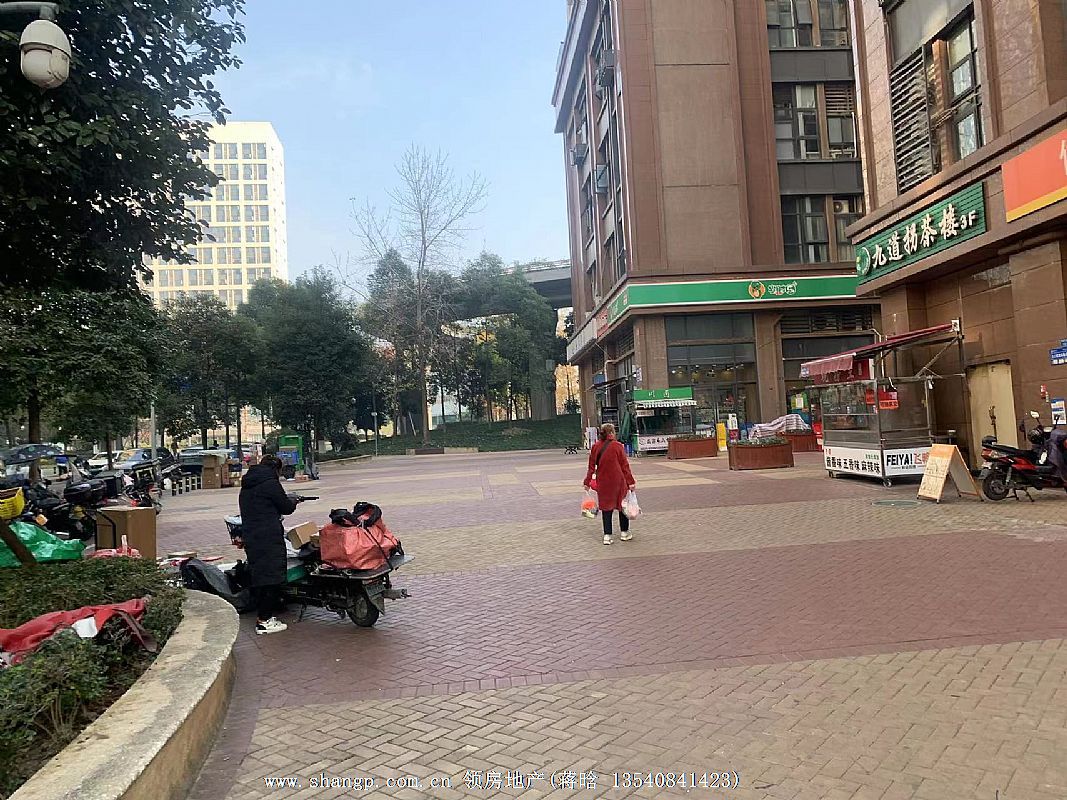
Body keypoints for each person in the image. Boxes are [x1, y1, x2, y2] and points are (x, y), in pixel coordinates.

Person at [238, 454, 299, 634]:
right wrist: (293, 501)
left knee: (260, 575)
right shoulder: (270, 483)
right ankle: (264, 621)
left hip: (252, 536)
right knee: (272, 577)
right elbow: (286, 507)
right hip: (268, 538)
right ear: (276, 469)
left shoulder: (247, 484)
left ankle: (264, 615)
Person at [584, 422, 636, 545]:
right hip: (619, 481)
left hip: (603, 482)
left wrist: (587, 482)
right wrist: (631, 482)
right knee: (622, 506)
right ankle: (624, 533)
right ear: (612, 432)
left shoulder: (595, 447)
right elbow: (625, 466)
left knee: (606, 508)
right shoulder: (618, 446)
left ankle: (607, 536)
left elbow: (591, 467)